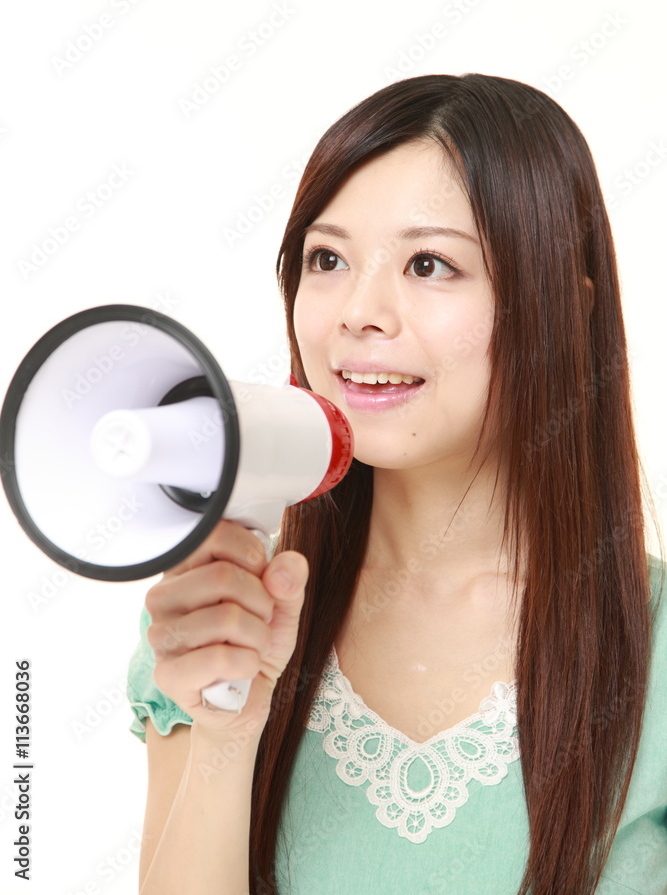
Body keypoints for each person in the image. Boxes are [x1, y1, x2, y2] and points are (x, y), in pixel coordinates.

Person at [126, 73, 667, 895]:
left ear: (564, 306)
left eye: (428, 263)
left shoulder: (652, 643)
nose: (357, 313)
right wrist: (227, 737)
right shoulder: (219, 612)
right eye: (327, 258)